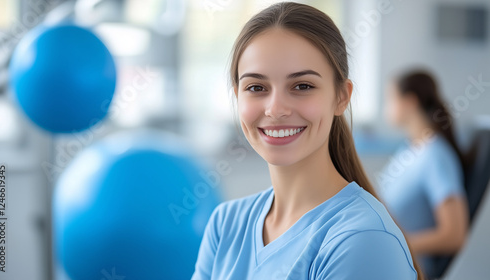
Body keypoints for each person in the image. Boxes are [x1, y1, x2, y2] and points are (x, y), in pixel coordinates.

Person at [192, 2, 421, 280]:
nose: (275, 109)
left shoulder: (363, 240)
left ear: (341, 97)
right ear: (237, 95)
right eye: (256, 87)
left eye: (302, 86)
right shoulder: (225, 224)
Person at [379, 70, 469, 278]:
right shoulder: (410, 149)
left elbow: (455, 235)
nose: (387, 107)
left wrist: (396, 244)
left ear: (409, 102)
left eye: (390, 99)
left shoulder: (436, 157)